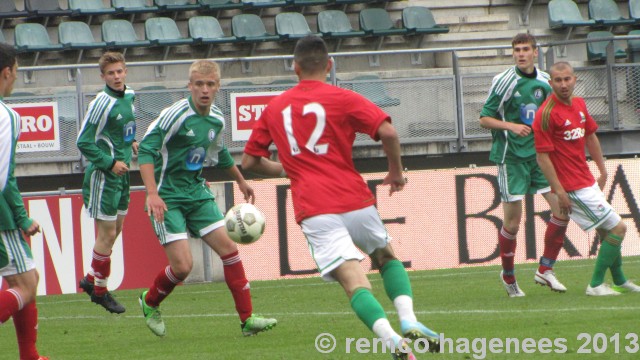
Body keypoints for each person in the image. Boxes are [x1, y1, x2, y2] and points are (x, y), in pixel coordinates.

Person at [242, 36, 439, 360]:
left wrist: (286, 168)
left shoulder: (275, 108)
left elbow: (249, 162)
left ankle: (393, 343)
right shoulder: (344, 98)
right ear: (329, 65)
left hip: (314, 207)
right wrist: (395, 172)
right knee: (385, 257)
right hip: (354, 199)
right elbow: (388, 132)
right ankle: (409, 320)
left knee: (353, 280)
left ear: (295, 68)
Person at [137, 60, 277, 337]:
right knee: (183, 267)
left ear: (217, 87)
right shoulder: (175, 115)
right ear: (189, 86)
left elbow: (220, 153)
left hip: (196, 192)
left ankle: (247, 320)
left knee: (229, 250)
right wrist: (152, 194)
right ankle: (150, 301)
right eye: (199, 84)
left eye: (210, 84)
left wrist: (240, 180)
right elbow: (145, 149)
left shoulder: (216, 118)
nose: (204, 89)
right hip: (167, 196)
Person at [533, 61, 640, 296]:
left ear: (575, 80)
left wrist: (601, 170)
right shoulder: (545, 114)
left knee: (606, 232)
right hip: (571, 188)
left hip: (586, 180)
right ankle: (595, 285)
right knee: (618, 228)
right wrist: (559, 191)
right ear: (550, 83)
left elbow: (590, 136)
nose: (563, 84)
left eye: (567, 79)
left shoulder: (580, 104)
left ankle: (620, 280)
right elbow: (542, 158)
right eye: (558, 80)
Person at [479, 33, 570, 297]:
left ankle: (545, 269)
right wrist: (510, 126)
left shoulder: (545, 81)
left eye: (525, 49)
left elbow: (553, 115)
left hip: (540, 158)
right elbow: (484, 118)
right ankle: (508, 276)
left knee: (562, 211)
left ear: (535, 53)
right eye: (516, 49)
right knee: (513, 223)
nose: (521, 53)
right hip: (511, 158)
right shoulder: (504, 80)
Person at [76, 51, 137, 314]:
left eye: (119, 71)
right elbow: (83, 142)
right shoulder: (101, 103)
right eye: (110, 73)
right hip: (104, 177)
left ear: (125, 71)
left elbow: (123, 129)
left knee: (116, 230)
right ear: (103, 76)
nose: (116, 76)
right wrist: (110, 163)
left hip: (123, 175)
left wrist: (131, 142)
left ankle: (90, 279)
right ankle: (100, 290)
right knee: (107, 234)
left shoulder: (130, 96)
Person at [0, 42, 48, 360]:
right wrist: (20, 217)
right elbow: (3, 178)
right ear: (7, 72)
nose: (17, 78)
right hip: (1, 219)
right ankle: (29, 355)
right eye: (17, 72)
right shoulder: (7, 117)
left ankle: (29, 355)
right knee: (27, 282)